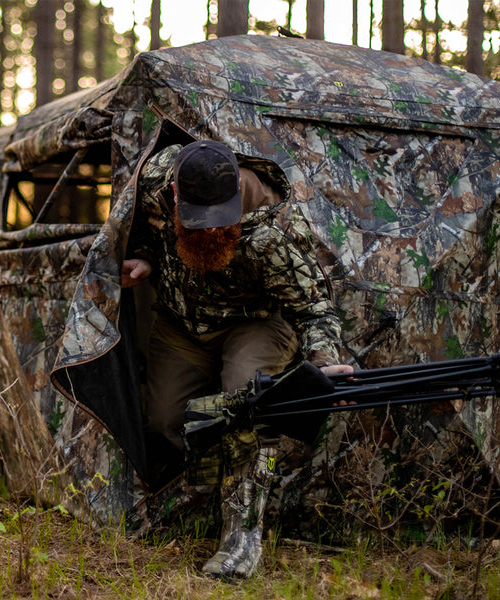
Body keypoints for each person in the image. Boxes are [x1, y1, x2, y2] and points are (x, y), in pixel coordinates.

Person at [122, 139, 353, 579]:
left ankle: (243, 535)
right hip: (181, 323)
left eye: (220, 218)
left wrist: (324, 363)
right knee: (164, 420)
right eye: (200, 219)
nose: (211, 230)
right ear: (175, 194)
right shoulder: (151, 180)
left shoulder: (275, 227)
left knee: (246, 406)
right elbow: (142, 230)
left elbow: (313, 306)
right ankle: (202, 503)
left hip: (256, 322)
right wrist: (147, 259)